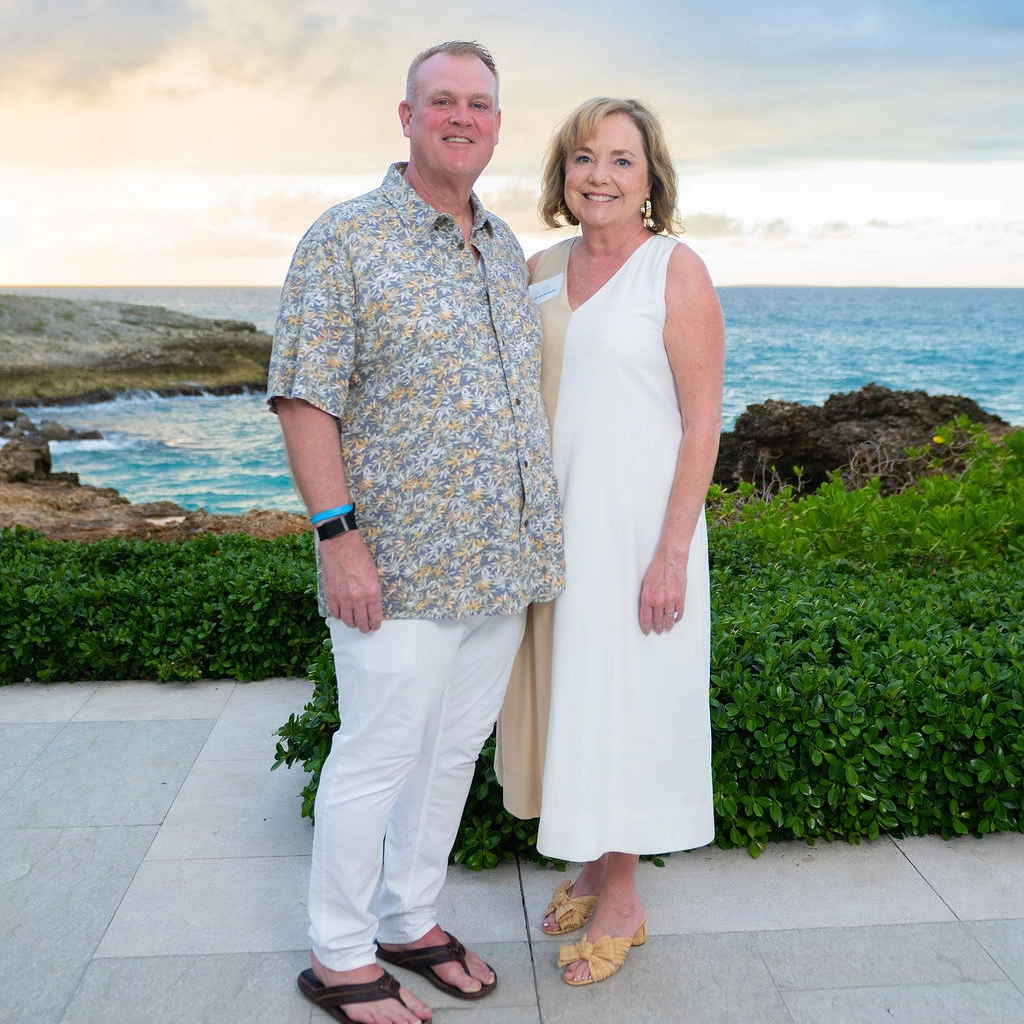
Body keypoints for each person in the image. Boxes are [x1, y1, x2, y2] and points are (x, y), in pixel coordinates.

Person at [267, 41, 564, 1024]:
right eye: (442, 101)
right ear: (406, 117)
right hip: (393, 565)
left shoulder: (504, 246)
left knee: (447, 757)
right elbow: (305, 397)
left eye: (479, 103)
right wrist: (336, 534)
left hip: (500, 566)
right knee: (375, 755)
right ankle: (340, 956)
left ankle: (408, 918)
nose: (461, 117)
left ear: (494, 123)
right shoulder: (345, 239)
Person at [496, 97, 724, 986]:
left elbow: (702, 423)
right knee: (574, 701)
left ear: (650, 181)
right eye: (584, 157)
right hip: (555, 537)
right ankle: (591, 863)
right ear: (562, 173)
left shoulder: (676, 269)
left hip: (638, 535)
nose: (600, 175)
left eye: (622, 161)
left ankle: (624, 899)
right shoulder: (538, 268)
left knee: (626, 702)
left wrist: (671, 555)